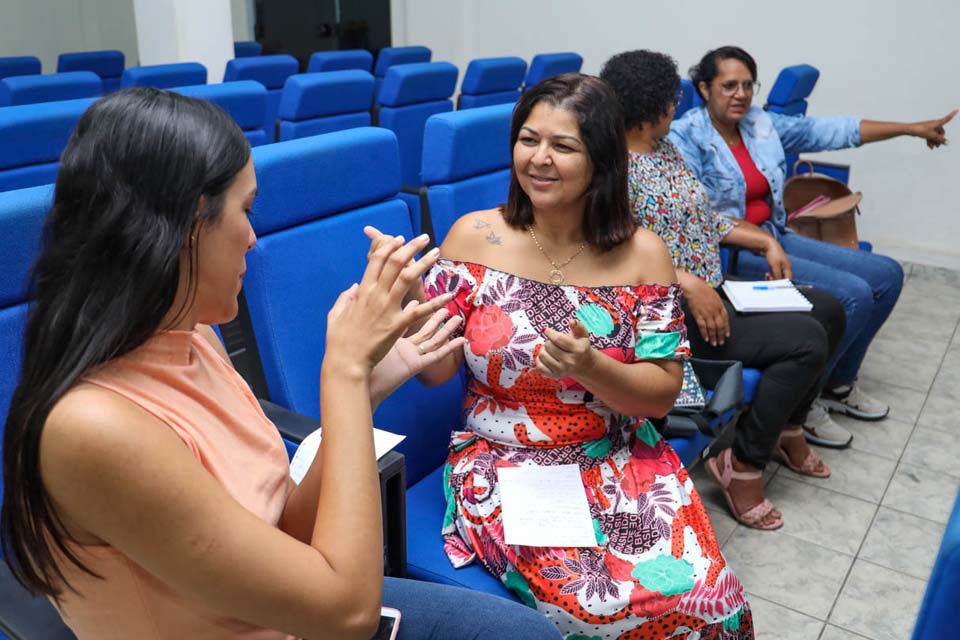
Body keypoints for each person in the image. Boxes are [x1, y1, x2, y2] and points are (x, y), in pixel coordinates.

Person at [0, 88, 564, 640]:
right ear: (182, 228)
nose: (252, 238)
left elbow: (284, 528)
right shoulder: (96, 429)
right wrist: (341, 375)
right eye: (244, 212)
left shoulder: (192, 333)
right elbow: (347, 613)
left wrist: (362, 389)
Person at [395, 74, 753, 637]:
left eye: (563, 146)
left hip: (617, 453)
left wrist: (592, 367)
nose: (538, 159)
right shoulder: (474, 237)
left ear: (602, 161)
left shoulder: (643, 256)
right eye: (528, 140)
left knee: (714, 600)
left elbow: (661, 394)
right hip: (504, 463)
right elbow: (439, 372)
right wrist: (416, 301)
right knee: (600, 603)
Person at [601, 49, 848, 531]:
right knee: (805, 341)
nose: (677, 107)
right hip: (671, 311)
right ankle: (742, 466)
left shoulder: (663, 147)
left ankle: (790, 427)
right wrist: (686, 282)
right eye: (671, 99)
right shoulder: (612, 168)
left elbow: (698, 218)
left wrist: (757, 237)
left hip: (711, 288)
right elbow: (609, 251)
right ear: (653, 105)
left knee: (829, 309)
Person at [669, 46, 954, 431]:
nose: (740, 94)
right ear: (704, 89)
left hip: (774, 235)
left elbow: (831, 130)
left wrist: (910, 128)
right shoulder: (686, 137)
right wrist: (761, 242)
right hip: (731, 251)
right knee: (851, 293)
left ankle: (836, 384)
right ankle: (803, 403)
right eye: (729, 85)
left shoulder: (759, 123)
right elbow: (692, 214)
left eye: (748, 85)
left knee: (887, 274)